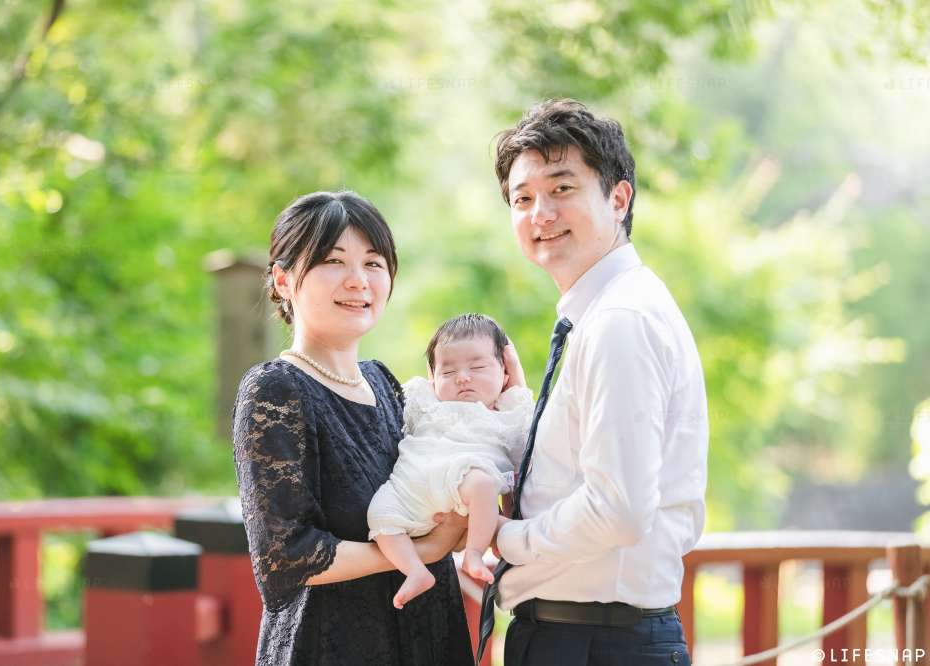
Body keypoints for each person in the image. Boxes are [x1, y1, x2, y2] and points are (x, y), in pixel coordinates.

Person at [482, 99, 709, 666]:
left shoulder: (619, 321)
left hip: (597, 642)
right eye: (523, 198)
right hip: (585, 636)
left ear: (619, 197)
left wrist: (507, 539)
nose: (541, 213)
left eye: (562, 189)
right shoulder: (603, 313)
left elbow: (619, 508)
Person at [232, 191, 476, 666]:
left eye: (373, 263)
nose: (357, 280)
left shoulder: (386, 384)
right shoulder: (275, 390)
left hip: (429, 634)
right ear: (283, 280)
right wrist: (424, 551)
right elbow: (287, 555)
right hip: (332, 643)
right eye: (332, 261)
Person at [367, 313, 533, 609]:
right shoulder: (425, 400)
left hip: (465, 478)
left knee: (482, 483)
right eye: (448, 372)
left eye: (478, 367)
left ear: (504, 373)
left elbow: (524, 457)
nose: (463, 377)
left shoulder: (507, 414)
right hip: (413, 486)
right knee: (379, 515)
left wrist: (517, 381)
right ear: (433, 379)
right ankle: (415, 571)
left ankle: (473, 552)